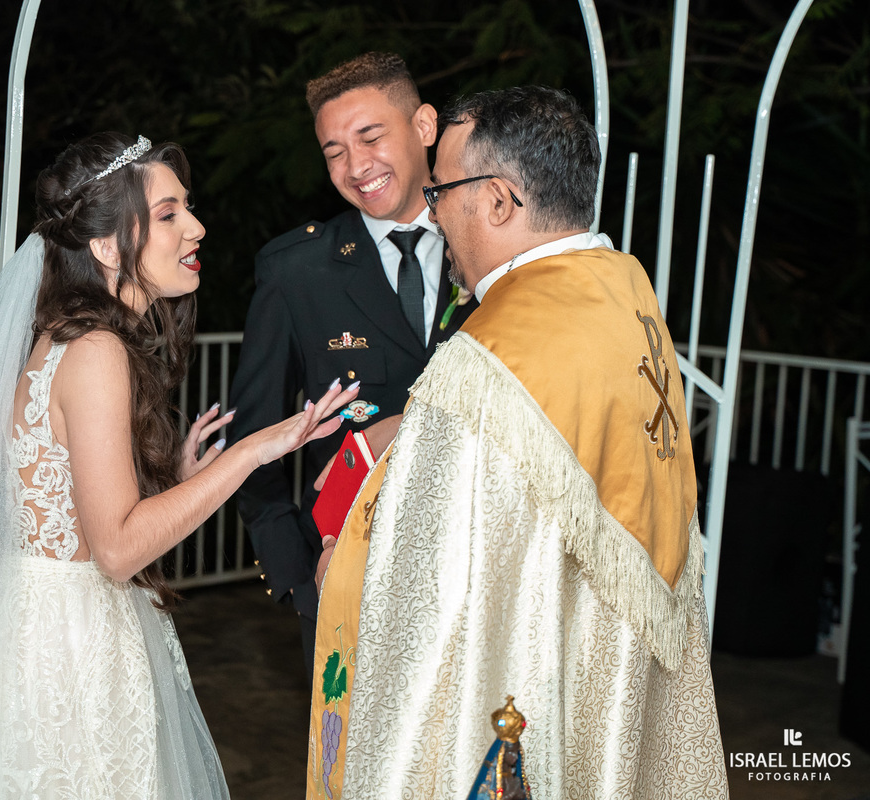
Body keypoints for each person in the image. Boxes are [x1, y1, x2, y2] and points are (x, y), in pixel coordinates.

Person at [0, 133, 359, 800]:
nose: (196, 226)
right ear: (106, 247)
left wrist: (182, 483)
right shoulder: (98, 351)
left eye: (188, 207)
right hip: (70, 650)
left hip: (32, 627)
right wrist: (253, 451)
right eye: (168, 214)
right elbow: (117, 549)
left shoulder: (57, 336)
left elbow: (73, 516)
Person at [306, 87, 728, 799]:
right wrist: (410, 426)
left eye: (439, 190)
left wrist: (346, 560)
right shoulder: (620, 289)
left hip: (516, 699)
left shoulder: (488, 362)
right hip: (605, 667)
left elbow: (428, 593)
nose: (432, 211)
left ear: (498, 201)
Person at [229, 52, 474, 676]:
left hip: (484, 581)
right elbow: (251, 438)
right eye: (333, 150)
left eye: (370, 136)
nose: (355, 166)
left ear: (424, 126)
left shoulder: (494, 246)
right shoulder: (296, 272)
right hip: (345, 585)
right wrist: (294, 578)